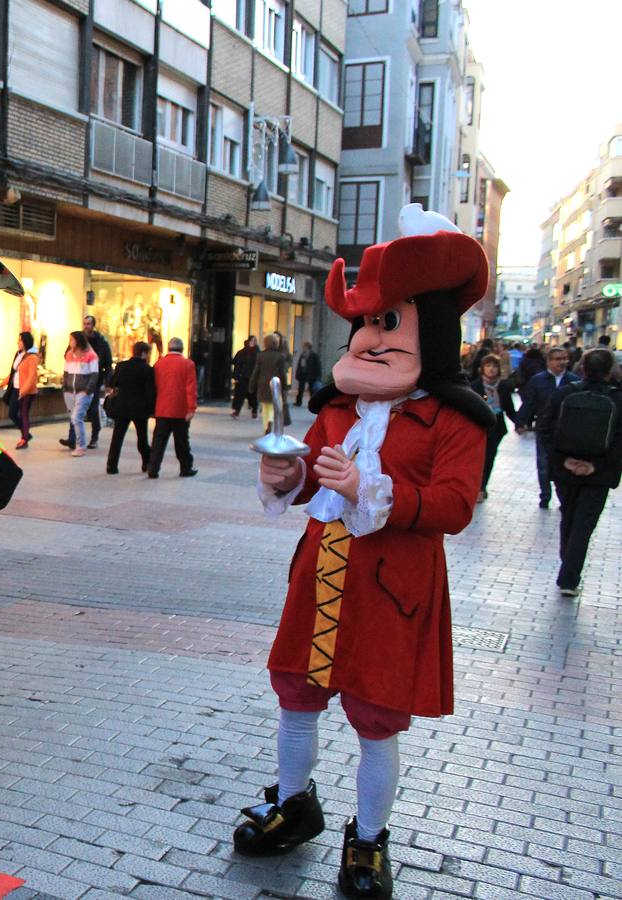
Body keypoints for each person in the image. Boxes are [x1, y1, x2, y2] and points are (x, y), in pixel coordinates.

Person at [237, 205, 493, 900]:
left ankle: (370, 840)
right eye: (367, 323)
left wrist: (374, 488)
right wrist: (284, 478)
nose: (372, 338)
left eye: (390, 322)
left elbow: (454, 506)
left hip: (394, 590)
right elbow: (309, 478)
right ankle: (294, 805)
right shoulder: (338, 410)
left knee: (376, 721)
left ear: (430, 332)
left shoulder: (456, 418)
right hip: (320, 575)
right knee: (297, 697)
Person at [538, 349, 622, 597]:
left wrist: (564, 460)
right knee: (583, 524)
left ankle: (568, 563)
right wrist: (596, 466)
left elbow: (545, 429)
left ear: (582, 368)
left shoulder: (565, 394)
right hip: (598, 473)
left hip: (566, 471)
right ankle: (569, 577)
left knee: (569, 516)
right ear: (610, 371)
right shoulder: (617, 400)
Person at [516, 346, 577, 509]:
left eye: (565, 359)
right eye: (558, 359)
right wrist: (520, 421)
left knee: (563, 464)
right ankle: (545, 496)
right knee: (543, 464)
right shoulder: (538, 380)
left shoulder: (574, 381)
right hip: (544, 428)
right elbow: (529, 403)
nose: (562, 362)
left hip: (566, 431)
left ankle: (563, 497)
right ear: (549, 361)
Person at [147, 337, 198, 478]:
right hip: (180, 410)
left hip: (162, 409)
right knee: (181, 441)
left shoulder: (159, 364)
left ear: (168, 348)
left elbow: (154, 387)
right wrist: (191, 408)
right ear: (182, 349)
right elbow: (191, 388)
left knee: (158, 441)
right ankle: (185, 467)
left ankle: (153, 468)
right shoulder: (188, 364)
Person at [469, 355, 518, 500]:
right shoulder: (474, 386)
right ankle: (475, 486)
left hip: (496, 426)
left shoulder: (503, 387)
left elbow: (509, 408)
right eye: (488, 366)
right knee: (477, 458)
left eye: (494, 366)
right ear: (482, 369)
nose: (491, 369)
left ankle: (482, 487)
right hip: (478, 426)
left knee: (489, 457)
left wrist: (520, 422)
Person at [104, 341, 155, 474]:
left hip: (122, 406)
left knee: (117, 437)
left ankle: (111, 465)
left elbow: (113, 383)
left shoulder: (122, 366)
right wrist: (152, 410)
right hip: (140, 408)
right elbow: (150, 392)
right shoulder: (148, 370)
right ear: (144, 353)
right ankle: (146, 462)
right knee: (142, 438)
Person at [62, 315, 113, 449]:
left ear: (93, 325)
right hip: (76, 381)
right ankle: (72, 438)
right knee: (75, 412)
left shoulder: (101, 342)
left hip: (92, 382)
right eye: (84, 324)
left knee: (92, 410)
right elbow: (67, 356)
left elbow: (107, 364)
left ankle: (94, 436)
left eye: (88, 324)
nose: (86, 326)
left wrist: (108, 383)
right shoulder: (78, 340)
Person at [61, 331, 97, 457]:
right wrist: (65, 387)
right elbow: (65, 373)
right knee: (73, 417)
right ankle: (78, 442)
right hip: (70, 391)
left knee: (77, 418)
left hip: (83, 391)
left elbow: (94, 375)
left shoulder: (91, 356)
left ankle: (81, 445)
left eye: (72, 340)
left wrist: (88, 390)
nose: (70, 342)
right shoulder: (69, 355)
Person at [250, 333, 292, 433]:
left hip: (263, 384)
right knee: (274, 406)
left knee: (265, 406)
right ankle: (270, 421)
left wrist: (252, 384)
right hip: (275, 384)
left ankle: (266, 426)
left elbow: (256, 371)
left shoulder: (261, 355)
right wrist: (285, 386)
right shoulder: (280, 356)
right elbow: (282, 372)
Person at [5, 331, 39, 449]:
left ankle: (24, 439)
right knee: (12, 413)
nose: (18, 343)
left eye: (20, 340)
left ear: (25, 342)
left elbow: (32, 376)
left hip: (26, 391)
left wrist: (23, 391)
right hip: (15, 388)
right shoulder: (19, 354)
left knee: (24, 414)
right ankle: (26, 433)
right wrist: (5, 381)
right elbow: (14, 371)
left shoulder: (32, 357)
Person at [294, 341, 323, 406]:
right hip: (302, 374)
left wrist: (318, 375)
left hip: (311, 375)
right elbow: (299, 365)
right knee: (300, 389)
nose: (303, 348)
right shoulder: (302, 355)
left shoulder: (314, 355)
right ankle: (298, 402)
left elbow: (318, 366)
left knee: (311, 390)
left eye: (304, 347)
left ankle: (312, 403)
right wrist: (297, 374)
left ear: (308, 347)